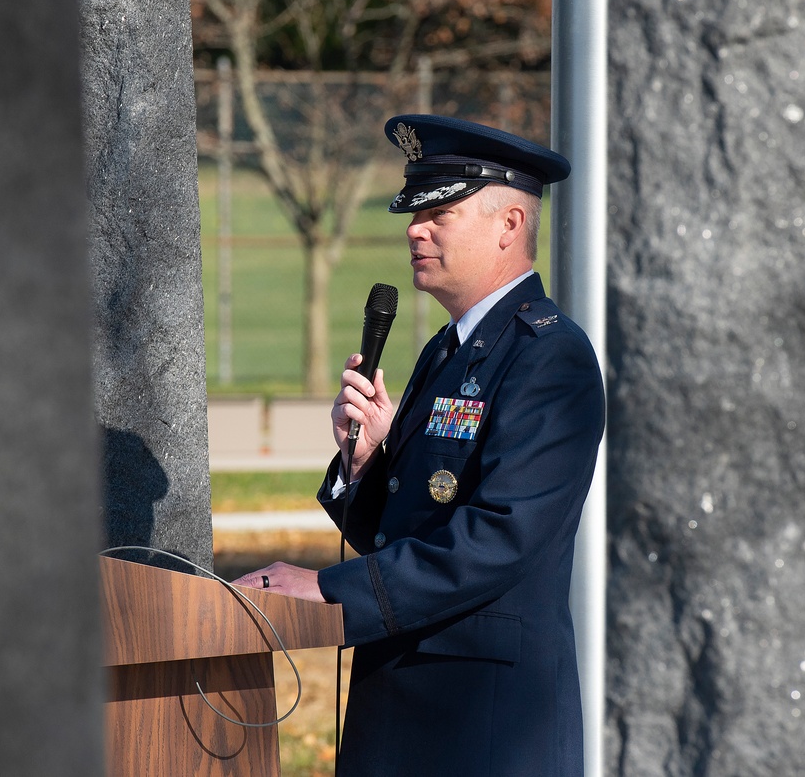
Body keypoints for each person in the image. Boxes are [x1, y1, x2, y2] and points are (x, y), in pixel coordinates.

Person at [235, 114, 605, 776]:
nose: (415, 228)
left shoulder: (550, 358)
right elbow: (407, 526)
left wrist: (328, 589)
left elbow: (500, 536)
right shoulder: (450, 351)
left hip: (483, 728)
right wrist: (371, 462)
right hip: (403, 714)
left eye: (441, 212)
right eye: (414, 212)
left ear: (508, 226)